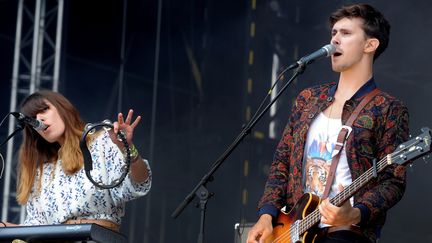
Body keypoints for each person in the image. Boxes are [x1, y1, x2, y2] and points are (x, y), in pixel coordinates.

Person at [247, 3, 409, 243]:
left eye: (345, 33)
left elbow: (393, 181)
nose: (335, 40)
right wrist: (266, 215)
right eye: (333, 33)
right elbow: (281, 162)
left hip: (345, 233)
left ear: (370, 44)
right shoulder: (309, 99)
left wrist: (356, 213)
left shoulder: (387, 107)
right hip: (292, 230)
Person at [0, 90, 151, 232]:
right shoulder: (43, 172)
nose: (39, 119)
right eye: (32, 119)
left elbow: (138, 184)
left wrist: (128, 148)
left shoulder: (102, 142)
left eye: (44, 109)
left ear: (62, 108)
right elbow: (35, 226)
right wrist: (3, 226)